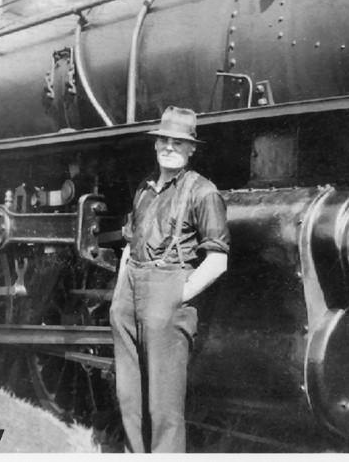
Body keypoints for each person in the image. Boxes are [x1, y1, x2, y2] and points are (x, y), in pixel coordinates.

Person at [110, 106, 230, 452]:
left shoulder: (202, 192)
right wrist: (121, 294)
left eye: (179, 142)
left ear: (191, 148)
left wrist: (179, 294)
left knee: (163, 408)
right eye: (164, 139)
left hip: (169, 289)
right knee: (129, 398)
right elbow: (129, 247)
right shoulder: (144, 190)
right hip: (131, 288)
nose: (169, 147)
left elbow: (218, 260)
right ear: (155, 144)